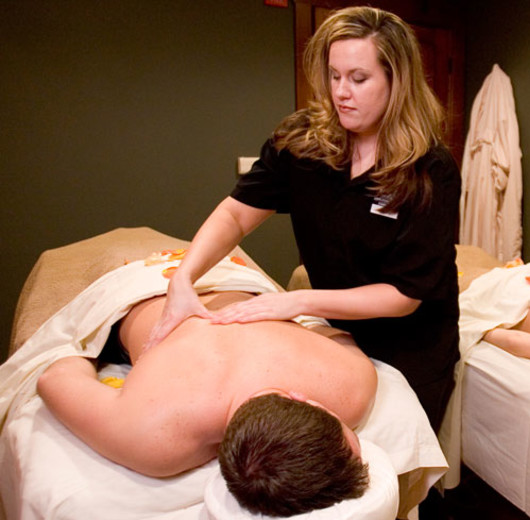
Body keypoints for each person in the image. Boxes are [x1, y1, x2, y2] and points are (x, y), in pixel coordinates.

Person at [145, 6, 460, 435]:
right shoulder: (304, 144)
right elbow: (237, 213)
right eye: (334, 76)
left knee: (396, 455)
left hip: (413, 342)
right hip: (336, 332)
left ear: (396, 80)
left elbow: (404, 295)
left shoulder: (430, 169)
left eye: (359, 78)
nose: (341, 92)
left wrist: (298, 301)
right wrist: (184, 278)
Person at [37, 290, 378, 517]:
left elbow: (58, 374)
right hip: (143, 287)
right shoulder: (151, 437)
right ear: (303, 400)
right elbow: (55, 375)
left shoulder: (351, 385)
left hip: (239, 281)